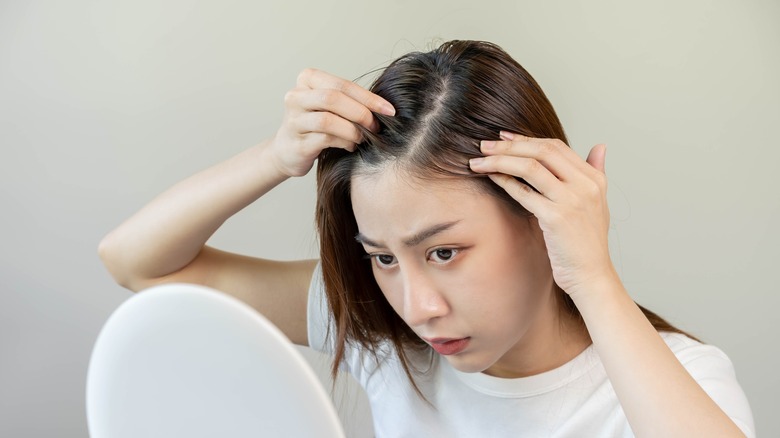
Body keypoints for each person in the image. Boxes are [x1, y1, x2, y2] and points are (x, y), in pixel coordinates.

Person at [99, 40, 754, 437]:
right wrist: (275, 157)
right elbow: (137, 263)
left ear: (539, 215)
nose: (417, 306)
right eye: (382, 256)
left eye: (444, 252)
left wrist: (593, 276)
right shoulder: (380, 332)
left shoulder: (679, 379)